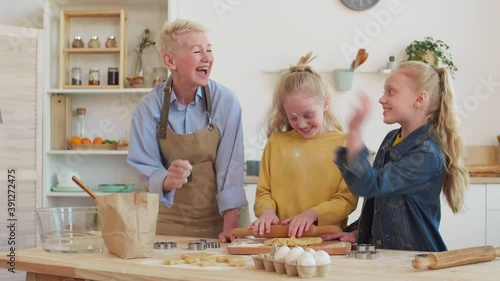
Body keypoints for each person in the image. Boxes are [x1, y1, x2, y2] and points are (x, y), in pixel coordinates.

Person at [324, 61, 468, 251]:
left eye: (391, 92)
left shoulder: (426, 154)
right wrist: (359, 232)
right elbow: (379, 202)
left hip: (414, 260)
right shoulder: (391, 138)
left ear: (419, 99)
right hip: (387, 257)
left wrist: (355, 130)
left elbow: (370, 185)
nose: (382, 99)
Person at [127, 19, 247, 242]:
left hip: (221, 220)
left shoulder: (226, 102)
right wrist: (167, 179)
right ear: (170, 60)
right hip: (167, 222)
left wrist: (230, 227)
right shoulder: (148, 109)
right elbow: (145, 165)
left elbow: (232, 167)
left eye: (209, 50)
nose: (207, 58)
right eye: (197, 51)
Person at [250, 53, 358, 238]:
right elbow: (263, 193)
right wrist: (267, 211)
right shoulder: (276, 143)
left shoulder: (346, 144)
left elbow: (347, 199)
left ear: (324, 103)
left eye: (308, 115)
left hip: (326, 240)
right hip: (280, 241)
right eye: (293, 117)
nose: (301, 124)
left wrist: (312, 214)